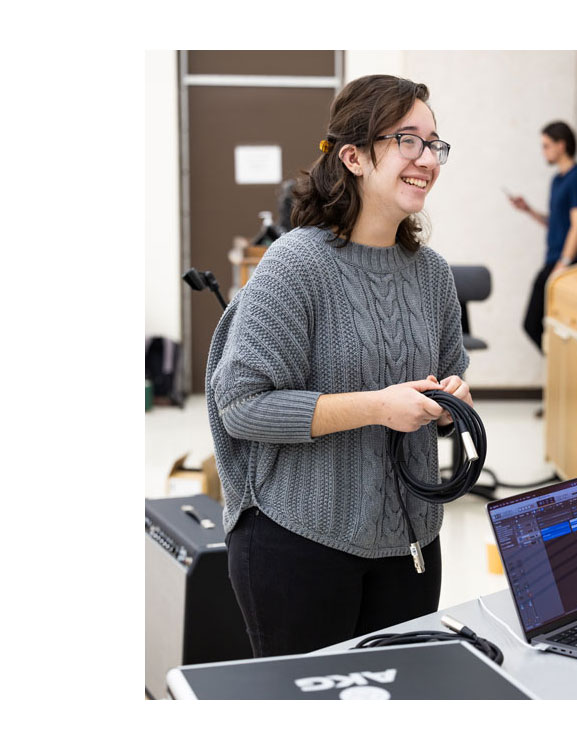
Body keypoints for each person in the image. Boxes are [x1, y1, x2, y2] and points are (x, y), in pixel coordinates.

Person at [205, 74, 471, 658]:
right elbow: (241, 406)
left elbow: (451, 377)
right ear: (352, 156)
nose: (427, 159)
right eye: (408, 140)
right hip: (299, 542)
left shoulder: (431, 274)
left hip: (409, 544)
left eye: (434, 144)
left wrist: (453, 402)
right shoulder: (294, 264)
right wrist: (379, 406)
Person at [509, 121, 577, 352]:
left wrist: (563, 264)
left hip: (568, 264)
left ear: (561, 145)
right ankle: (561, 370)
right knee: (546, 326)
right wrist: (528, 210)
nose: (543, 151)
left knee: (536, 323)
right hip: (554, 260)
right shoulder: (557, 180)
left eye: (546, 145)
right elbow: (556, 222)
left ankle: (564, 370)